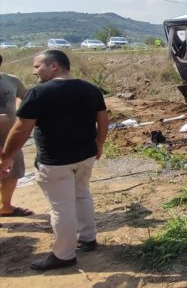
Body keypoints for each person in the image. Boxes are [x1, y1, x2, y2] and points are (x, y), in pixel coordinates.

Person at [0, 50, 109, 271]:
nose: (34, 71)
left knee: (61, 207)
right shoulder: (90, 89)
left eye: (37, 66)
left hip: (55, 161)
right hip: (85, 155)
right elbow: (103, 118)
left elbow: (21, 129)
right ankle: (88, 238)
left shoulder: (40, 92)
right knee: (82, 194)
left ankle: (64, 254)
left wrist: (6, 156)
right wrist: (99, 144)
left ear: (54, 66)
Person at [0, 54, 31, 219]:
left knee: (13, 170)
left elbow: (27, 98)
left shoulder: (12, 80)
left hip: (9, 137)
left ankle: (5, 206)